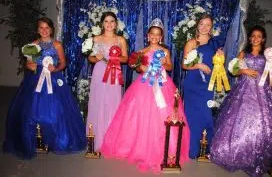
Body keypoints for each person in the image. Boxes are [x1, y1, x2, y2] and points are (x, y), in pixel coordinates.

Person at [101, 18, 189, 173]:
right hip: (145, 85)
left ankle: (165, 147)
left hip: (162, 84)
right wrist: (141, 66)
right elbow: (137, 67)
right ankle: (139, 147)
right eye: (152, 34)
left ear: (161, 37)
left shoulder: (165, 51)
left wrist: (162, 63)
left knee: (164, 113)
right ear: (148, 36)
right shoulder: (141, 52)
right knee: (140, 114)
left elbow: (170, 67)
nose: (154, 37)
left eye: (158, 35)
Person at [210, 26, 272, 176]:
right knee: (237, 120)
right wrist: (244, 70)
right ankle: (237, 153)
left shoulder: (267, 55)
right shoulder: (244, 53)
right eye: (253, 36)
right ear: (250, 38)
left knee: (263, 122)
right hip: (243, 91)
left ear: (263, 39)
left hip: (262, 93)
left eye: (259, 36)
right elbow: (234, 70)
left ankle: (259, 153)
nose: (256, 38)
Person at [3, 17, 86, 159]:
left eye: (47, 27)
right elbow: (28, 64)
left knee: (57, 109)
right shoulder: (33, 45)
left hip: (53, 79)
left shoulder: (57, 45)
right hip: (36, 80)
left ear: (51, 29)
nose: (44, 30)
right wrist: (31, 65)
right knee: (32, 109)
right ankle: (36, 139)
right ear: (37, 30)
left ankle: (56, 139)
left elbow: (63, 63)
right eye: (41, 28)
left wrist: (55, 68)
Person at [182, 14, 225, 159]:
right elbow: (184, 65)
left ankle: (205, 149)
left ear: (211, 28)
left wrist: (220, 57)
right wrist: (198, 65)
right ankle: (192, 149)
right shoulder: (192, 43)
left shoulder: (214, 44)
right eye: (202, 24)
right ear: (197, 26)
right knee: (192, 116)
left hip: (208, 83)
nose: (204, 27)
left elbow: (218, 65)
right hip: (193, 84)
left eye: (208, 25)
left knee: (207, 115)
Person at [86, 11, 128, 152]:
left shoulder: (120, 40)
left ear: (116, 24)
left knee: (113, 101)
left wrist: (114, 58)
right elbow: (90, 58)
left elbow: (125, 59)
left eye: (112, 21)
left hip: (114, 73)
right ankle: (96, 137)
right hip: (99, 72)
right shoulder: (96, 38)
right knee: (98, 101)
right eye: (106, 21)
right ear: (102, 24)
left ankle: (112, 138)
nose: (109, 24)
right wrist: (96, 58)